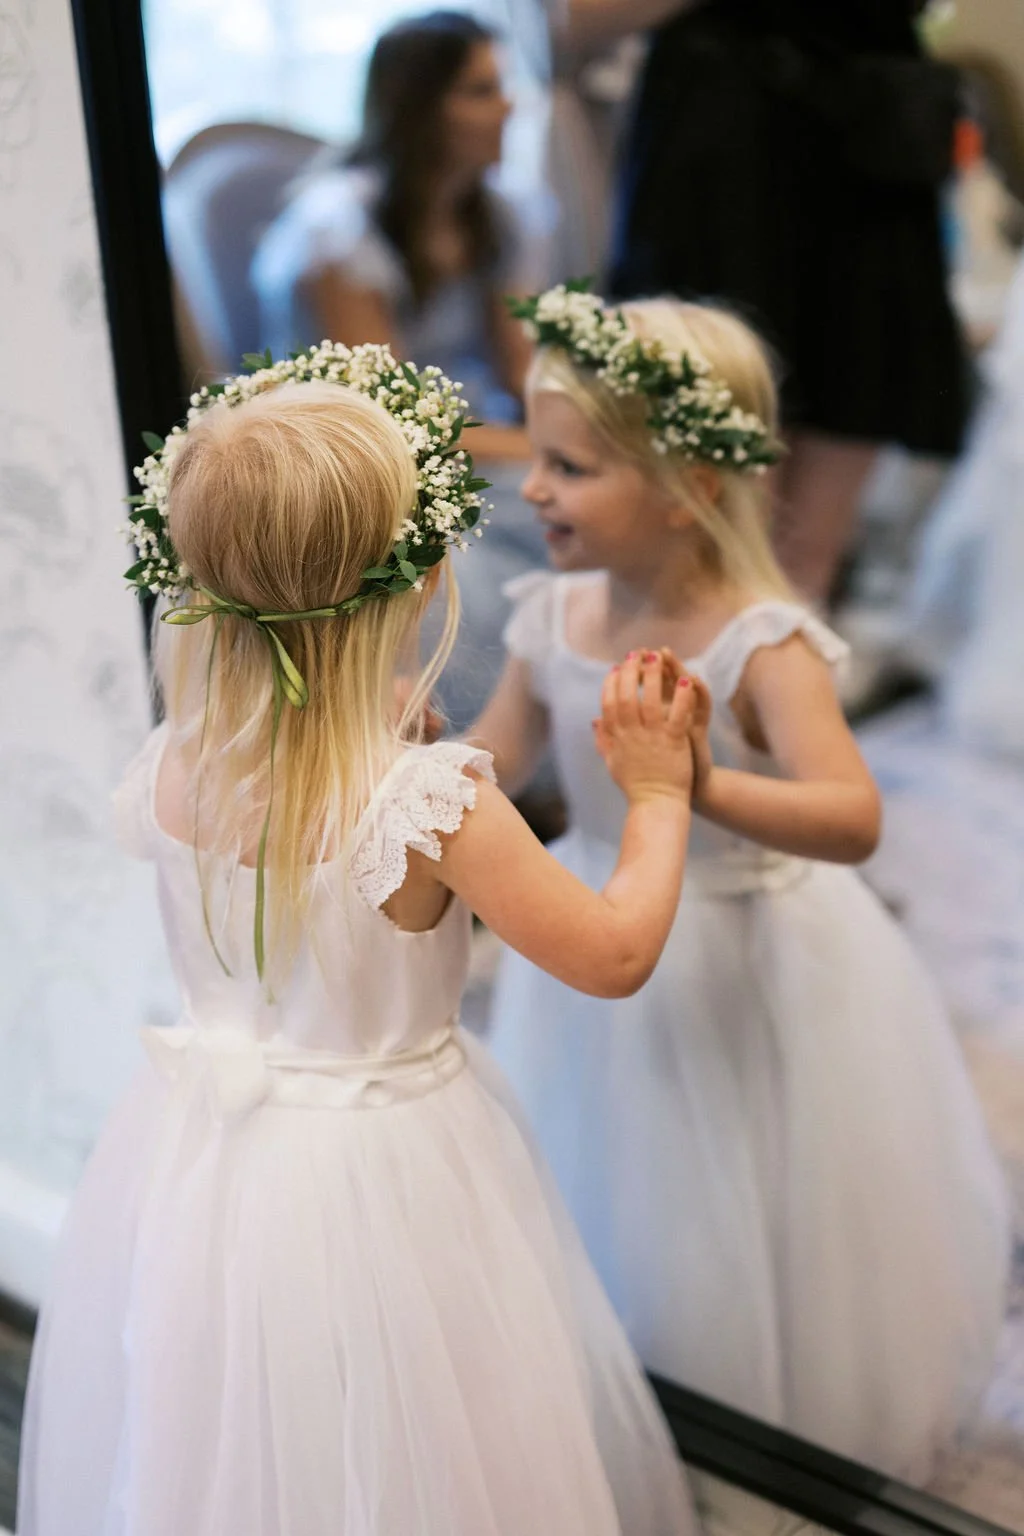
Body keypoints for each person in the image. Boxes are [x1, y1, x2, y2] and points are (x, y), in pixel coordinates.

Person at [16, 358, 703, 1535]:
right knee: (429, 1424)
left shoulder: (179, 756)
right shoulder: (430, 805)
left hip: (207, 1162)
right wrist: (657, 792)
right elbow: (612, 955)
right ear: (432, 576)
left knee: (244, 1427)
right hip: (392, 1165)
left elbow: (286, 823)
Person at [477, 285, 1010, 1483]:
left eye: (569, 465)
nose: (535, 490)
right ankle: (633, 1385)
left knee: (756, 1199)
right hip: (599, 943)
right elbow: (495, 757)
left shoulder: (760, 639)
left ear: (686, 486)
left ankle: (767, 1429)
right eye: (537, 456)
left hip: (748, 953)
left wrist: (695, 785)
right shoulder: (550, 613)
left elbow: (853, 816)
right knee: (615, 1181)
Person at [562, 0, 970, 606]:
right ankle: (679, 692)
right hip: (725, 149)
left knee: (805, 561)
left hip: (867, 137)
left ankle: (783, 690)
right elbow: (573, 19)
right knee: (709, 544)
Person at [253, 11, 553, 730]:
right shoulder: (339, 232)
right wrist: (542, 453)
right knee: (462, 566)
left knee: (595, 509)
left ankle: (559, 746)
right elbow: (392, 417)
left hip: (469, 438)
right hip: (364, 458)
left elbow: (521, 371)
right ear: (422, 108)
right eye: (482, 90)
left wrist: (586, 436)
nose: (509, 106)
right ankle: (467, 760)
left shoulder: (495, 214)